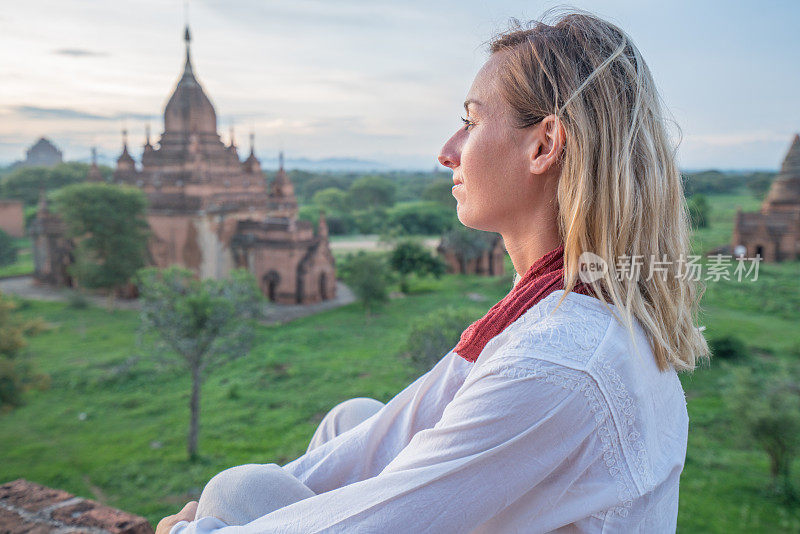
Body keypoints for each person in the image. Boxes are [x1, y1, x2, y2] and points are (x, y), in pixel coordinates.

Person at [159, 8, 709, 534]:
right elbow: (386, 434)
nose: (447, 152)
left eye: (470, 123)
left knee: (236, 492)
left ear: (545, 144)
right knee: (350, 421)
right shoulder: (556, 297)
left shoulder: (557, 361)